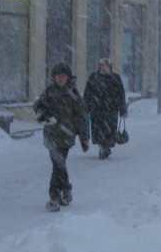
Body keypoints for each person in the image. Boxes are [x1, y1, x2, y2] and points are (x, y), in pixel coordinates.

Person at [34, 62, 90, 212]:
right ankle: (56, 195)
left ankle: (62, 192)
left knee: (59, 165)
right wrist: (42, 115)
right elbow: (38, 106)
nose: (60, 79)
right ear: (54, 77)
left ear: (68, 77)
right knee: (58, 164)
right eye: (57, 76)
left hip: (66, 135)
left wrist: (84, 138)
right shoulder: (49, 92)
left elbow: (82, 117)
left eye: (63, 76)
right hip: (51, 135)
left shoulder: (73, 94)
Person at [84, 58, 127, 160]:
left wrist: (122, 108)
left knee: (110, 130)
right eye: (101, 65)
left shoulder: (115, 78)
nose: (103, 68)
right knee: (98, 130)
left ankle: (106, 147)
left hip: (111, 110)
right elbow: (87, 93)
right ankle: (102, 147)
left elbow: (121, 94)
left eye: (105, 65)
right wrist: (86, 106)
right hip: (97, 110)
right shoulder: (93, 77)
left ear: (109, 67)